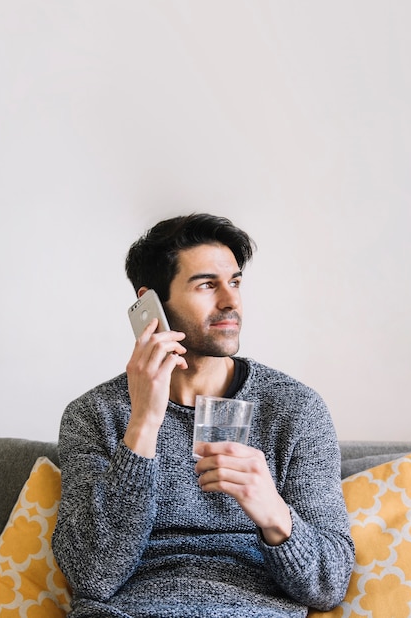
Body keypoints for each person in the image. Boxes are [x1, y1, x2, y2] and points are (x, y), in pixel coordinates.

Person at [52, 213, 354, 618]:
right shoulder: (94, 415)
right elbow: (91, 575)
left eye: (235, 282)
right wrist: (142, 425)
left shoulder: (294, 411)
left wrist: (273, 513)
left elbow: (329, 584)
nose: (230, 302)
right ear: (151, 303)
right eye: (207, 285)